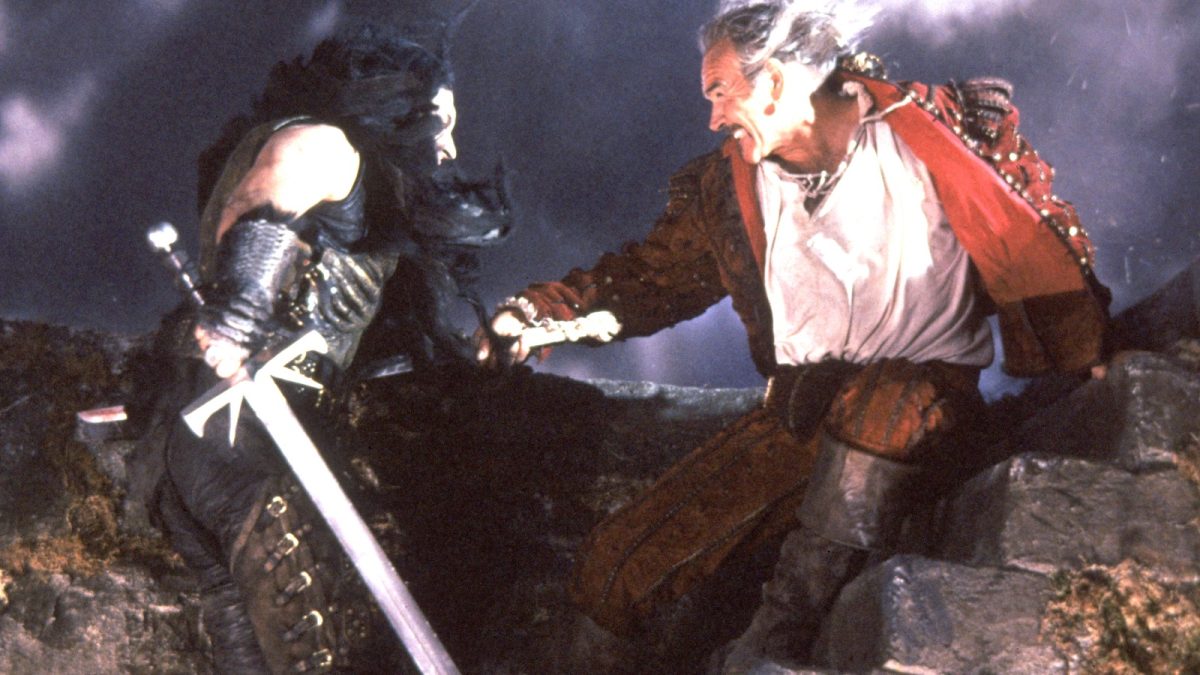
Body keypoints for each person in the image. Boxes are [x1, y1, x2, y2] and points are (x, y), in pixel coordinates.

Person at [477, 0, 1108, 670]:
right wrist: (537, 314)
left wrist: (1087, 347)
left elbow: (1030, 225)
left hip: (922, 411)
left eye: (720, 92)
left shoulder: (929, 131)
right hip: (801, 416)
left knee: (884, 406)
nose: (714, 117)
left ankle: (778, 640)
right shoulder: (729, 187)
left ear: (774, 82)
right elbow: (650, 277)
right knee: (612, 570)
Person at [144, 26, 509, 673]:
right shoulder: (330, 144)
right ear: (396, 105)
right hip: (240, 444)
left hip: (201, 447)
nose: (450, 147)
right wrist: (242, 307)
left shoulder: (365, 195)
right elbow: (274, 186)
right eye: (442, 122)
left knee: (248, 651)